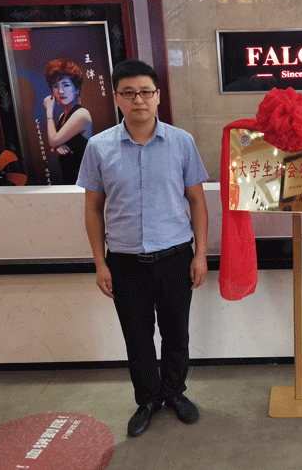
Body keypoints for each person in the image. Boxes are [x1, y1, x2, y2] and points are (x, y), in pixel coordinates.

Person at [77, 59, 209, 437]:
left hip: (175, 257)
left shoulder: (181, 142)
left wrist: (200, 254)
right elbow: (93, 209)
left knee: (176, 333)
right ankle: (147, 399)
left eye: (146, 92)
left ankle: (175, 392)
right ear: (117, 98)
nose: (139, 100)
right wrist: (100, 263)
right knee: (137, 337)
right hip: (124, 262)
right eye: (130, 93)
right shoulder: (99, 147)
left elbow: (197, 202)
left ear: (158, 96)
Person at [43, 59, 93, 185]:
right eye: (56, 86)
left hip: (83, 182)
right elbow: (54, 150)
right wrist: (56, 149)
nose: (60, 91)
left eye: (66, 85)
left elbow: (53, 141)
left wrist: (49, 111)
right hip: (68, 179)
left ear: (76, 89)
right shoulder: (62, 116)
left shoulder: (82, 114)